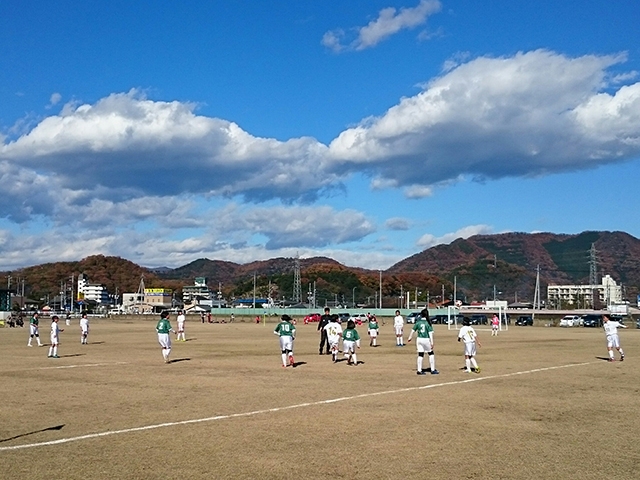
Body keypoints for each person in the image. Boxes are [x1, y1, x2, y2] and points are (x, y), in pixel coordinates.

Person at [407, 309, 439, 375]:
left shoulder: (418, 322)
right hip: (426, 339)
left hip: (419, 339)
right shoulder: (428, 323)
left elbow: (413, 330)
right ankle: (432, 370)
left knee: (420, 354)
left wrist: (410, 337)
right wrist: (432, 342)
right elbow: (430, 333)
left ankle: (419, 370)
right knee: (431, 353)